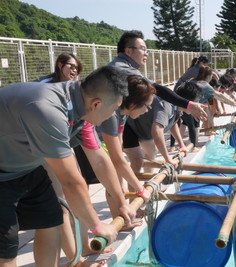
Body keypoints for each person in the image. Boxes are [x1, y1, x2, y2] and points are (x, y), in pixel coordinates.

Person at [0, 66, 135, 267]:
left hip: (25, 167)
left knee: (50, 222)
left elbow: (99, 159)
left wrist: (121, 201)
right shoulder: (49, 110)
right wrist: (97, 225)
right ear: (97, 104)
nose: (113, 115)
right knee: (7, 247)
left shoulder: (81, 106)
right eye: (114, 109)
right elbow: (71, 181)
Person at [108, 30, 207, 122]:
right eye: (143, 49)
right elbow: (156, 89)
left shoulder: (120, 65)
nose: (146, 54)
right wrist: (188, 105)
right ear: (128, 51)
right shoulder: (123, 69)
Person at [122, 82, 189, 174]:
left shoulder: (177, 109)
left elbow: (172, 124)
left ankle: (145, 183)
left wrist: (181, 145)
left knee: (150, 154)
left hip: (142, 130)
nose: (147, 110)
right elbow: (157, 132)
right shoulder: (166, 106)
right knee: (137, 160)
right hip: (131, 128)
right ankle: (132, 187)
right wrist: (167, 158)